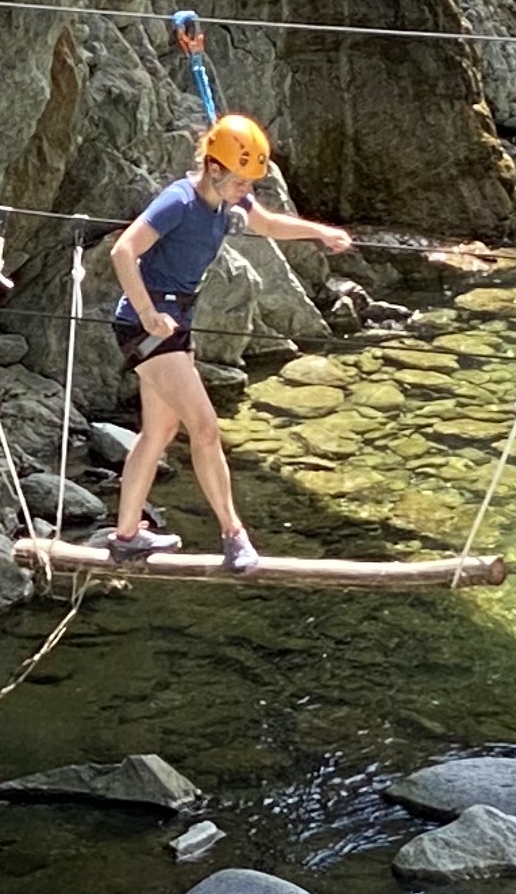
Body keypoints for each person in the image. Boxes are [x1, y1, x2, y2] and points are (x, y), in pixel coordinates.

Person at [103, 114, 353, 575]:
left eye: (249, 183)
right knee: (205, 427)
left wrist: (320, 232)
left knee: (159, 432)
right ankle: (234, 534)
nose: (245, 190)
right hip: (148, 326)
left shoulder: (227, 200)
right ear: (213, 169)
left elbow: (269, 225)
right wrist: (147, 313)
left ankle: (126, 536)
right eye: (239, 181)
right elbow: (123, 250)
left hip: (176, 324)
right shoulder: (178, 200)